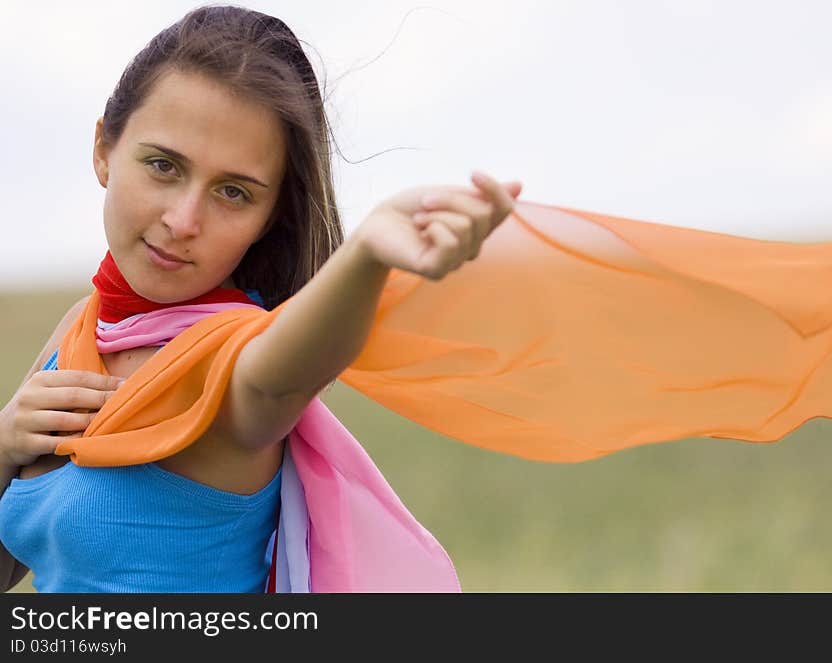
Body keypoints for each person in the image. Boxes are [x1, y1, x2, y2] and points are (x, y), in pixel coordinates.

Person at [0, 4, 520, 593]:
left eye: (233, 192)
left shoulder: (232, 359)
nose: (183, 219)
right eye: (163, 165)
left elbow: (280, 379)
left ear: (270, 218)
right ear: (103, 150)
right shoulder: (83, 327)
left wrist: (366, 258)